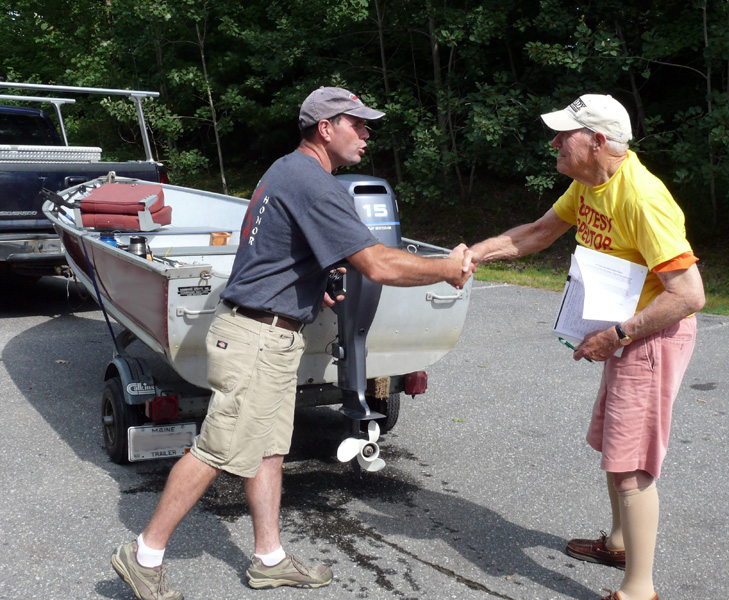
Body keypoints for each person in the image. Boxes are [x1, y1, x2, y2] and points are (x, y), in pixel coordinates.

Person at [111, 86, 475, 600]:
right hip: (256, 338)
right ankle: (144, 553)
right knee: (218, 449)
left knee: (268, 451)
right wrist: (447, 268)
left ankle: (270, 558)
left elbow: (273, 249)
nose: (368, 134)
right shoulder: (314, 183)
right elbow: (378, 263)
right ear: (326, 129)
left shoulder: (287, 170)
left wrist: (313, 284)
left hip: (273, 334)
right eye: (359, 124)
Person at [469, 94, 705, 600]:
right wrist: (472, 255)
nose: (554, 142)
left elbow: (689, 295)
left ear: (597, 141)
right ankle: (620, 544)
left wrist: (616, 336)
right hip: (627, 334)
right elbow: (536, 234)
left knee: (631, 463)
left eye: (564, 135)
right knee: (613, 445)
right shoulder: (588, 184)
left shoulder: (641, 197)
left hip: (650, 337)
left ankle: (638, 590)